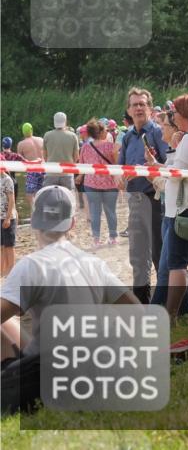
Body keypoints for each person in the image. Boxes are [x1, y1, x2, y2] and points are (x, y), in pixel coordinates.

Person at [0, 186, 138, 415]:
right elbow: (136, 311)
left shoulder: (31, 265)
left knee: (4, 324)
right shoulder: (93, 262)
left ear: (34, 221)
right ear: (72, 223)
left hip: (51, 378)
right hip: (95, 370)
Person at [147, 96, 188, 319]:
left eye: (175, 112)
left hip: (182, 208)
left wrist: (159, 170)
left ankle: (171, 314)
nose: (173, 116)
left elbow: (177, 175)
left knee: (177, 265)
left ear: (184, 114)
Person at [117, 88, 170, 303]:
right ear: (128, 110)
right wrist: (119, 177)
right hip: (135, 201)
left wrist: (144, 170)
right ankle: (142, 304)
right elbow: (121, 167)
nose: (138, 108)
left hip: (156, 200)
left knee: (159, 254)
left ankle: (167, 303)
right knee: (138, 257)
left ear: (149, 108)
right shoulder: (128, 137)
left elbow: (169, 165)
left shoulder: (157, 132)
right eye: (134, 104)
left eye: (142, 104)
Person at [79, 118, 119, 248]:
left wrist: (80, 177)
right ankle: (113, 237)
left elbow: (82, 164)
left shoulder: (85, 147)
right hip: (110, 183)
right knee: (111, 211)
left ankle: (96, 240)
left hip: (91, 183)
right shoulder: (109, 146)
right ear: (101, 131)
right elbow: (116, 163)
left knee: (95, 212)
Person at [41, 112, 79, 191]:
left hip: (51, 172)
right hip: (67, 172)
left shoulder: (47, 135)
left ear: (54, 121)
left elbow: (45, 156)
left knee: (49, 198)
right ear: (65, 121)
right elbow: (76, 157)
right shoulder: (73, 136)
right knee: (69, 199)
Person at [16, 124, 44, 210]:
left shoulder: (21, 144)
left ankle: (34, 210)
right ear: (32, 129)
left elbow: (19, 159)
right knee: (42, 191)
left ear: (23, 132)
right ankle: (41, 210)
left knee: (29, 194)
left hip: (32, 170)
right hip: (44, 168)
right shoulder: (41, 140)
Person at [1, 170, 15, 276]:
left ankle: (11, 269)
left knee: (9, 245)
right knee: (2, 245)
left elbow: (11, 199)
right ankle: (3, 270)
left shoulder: (7, 179)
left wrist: (8, 218)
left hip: (6, 216)